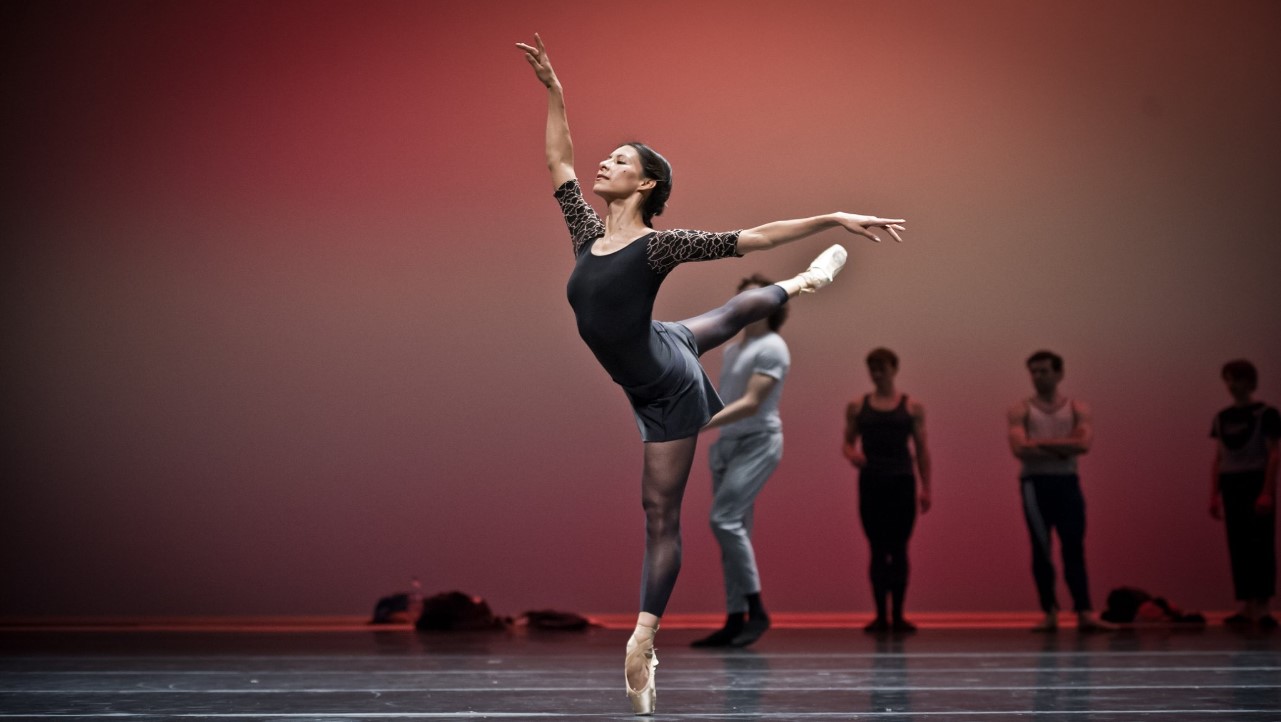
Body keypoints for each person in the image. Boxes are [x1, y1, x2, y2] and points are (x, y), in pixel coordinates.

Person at [516, 34, 906, 714]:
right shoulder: (584, 230)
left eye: (620, 161)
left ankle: (644, 640)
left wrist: (831, 217)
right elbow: (557, 158)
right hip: (657, 346)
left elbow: (749, 238)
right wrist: (554, 90)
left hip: (661, 387)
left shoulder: (660, 245)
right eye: (605, 158)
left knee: (658, 514)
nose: (602, 164)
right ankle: (804, 287)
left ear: (647, 185)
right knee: (723, 318)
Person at [690, 274, 791, 649]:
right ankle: (735, 619)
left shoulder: (773, 347)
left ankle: (756, 610)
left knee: (724, 520)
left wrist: (699, 425)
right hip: (729, 446)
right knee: (732, 532)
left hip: (758, 442)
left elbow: (751, 403)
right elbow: (725, 399)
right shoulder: (733, 350)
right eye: (741, 300)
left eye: (754, 300)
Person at [1007, 350, 1111, 632]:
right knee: (1041, 549)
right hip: (1035, 485)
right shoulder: (1021, 409)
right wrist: (1064, 446)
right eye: (1034, 372)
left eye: (1044, 371)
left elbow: (1084, 445)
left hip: (1066, 483)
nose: (1038, 377)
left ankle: (1084, 612)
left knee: (1073, 546)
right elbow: (1019, 448)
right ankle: (1050, 611)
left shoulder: (1077, 408)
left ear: (1059, 373)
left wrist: (1039, 444)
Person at [842, 347, 932, 633]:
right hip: (872, 482)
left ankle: (898, 614)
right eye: (873, 368)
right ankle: (881, 616)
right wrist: (852, 454)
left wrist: (926, 487)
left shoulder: (911, 406)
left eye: (882, 368)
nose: (877, 374)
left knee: (899, 549)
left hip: (902, 482)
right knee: (877, 549)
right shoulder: (858, 406)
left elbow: (921, 450)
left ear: (894, 369)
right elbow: (847, 442)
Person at [1209, 359, 1279, 629]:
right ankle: (1246, 604)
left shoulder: (1266, 414)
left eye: (1236, 378)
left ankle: (1262, 605)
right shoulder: (1222, 417)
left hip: (1255, 480)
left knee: (1260, 542)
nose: (1231, 385)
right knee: (1238, 544)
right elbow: (1218, 458)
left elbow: (1273, 454)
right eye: (1227, 379)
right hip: (1231, 482)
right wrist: (1214, 494)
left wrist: (1267, 491)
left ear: (1250, 381)